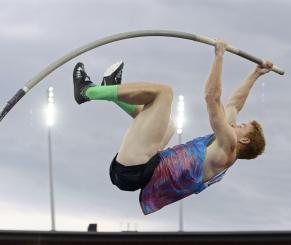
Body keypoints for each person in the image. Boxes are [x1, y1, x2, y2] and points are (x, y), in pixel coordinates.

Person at [72, 40, 273, 215]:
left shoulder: (227, 147)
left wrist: (219, 55)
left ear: (244, 139)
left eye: (243, 126)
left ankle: (86, 91)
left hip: (134, 170)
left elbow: (212, 98)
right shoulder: (224, 146)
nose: (237, 124)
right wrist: (255, 74)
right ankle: (112, 88)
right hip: (140, 170)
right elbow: (233, 105)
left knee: (163, 93)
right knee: (169, 125)